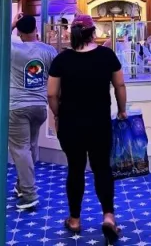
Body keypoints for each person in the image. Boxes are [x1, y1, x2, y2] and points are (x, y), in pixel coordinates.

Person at [47, 15, 127, 243]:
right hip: (99, 123)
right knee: (102, 168)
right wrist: (122, 110)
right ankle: (109, 217)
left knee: (75, 168)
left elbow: (52, 93)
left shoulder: (62, 59)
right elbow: (119, 84)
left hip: (71, 124)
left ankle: (74, 219)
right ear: (93, 33)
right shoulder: (106, 55)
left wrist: (57, 113)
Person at [9, 14, 57, 211]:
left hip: (17, 107)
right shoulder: (49, 50)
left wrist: (12, 24)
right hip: (39, 105)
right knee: (30, 147)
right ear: (36, 28)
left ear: (19, 32)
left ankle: (29, 194)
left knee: (21, 150)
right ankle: (22, 186)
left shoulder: (13, 49)